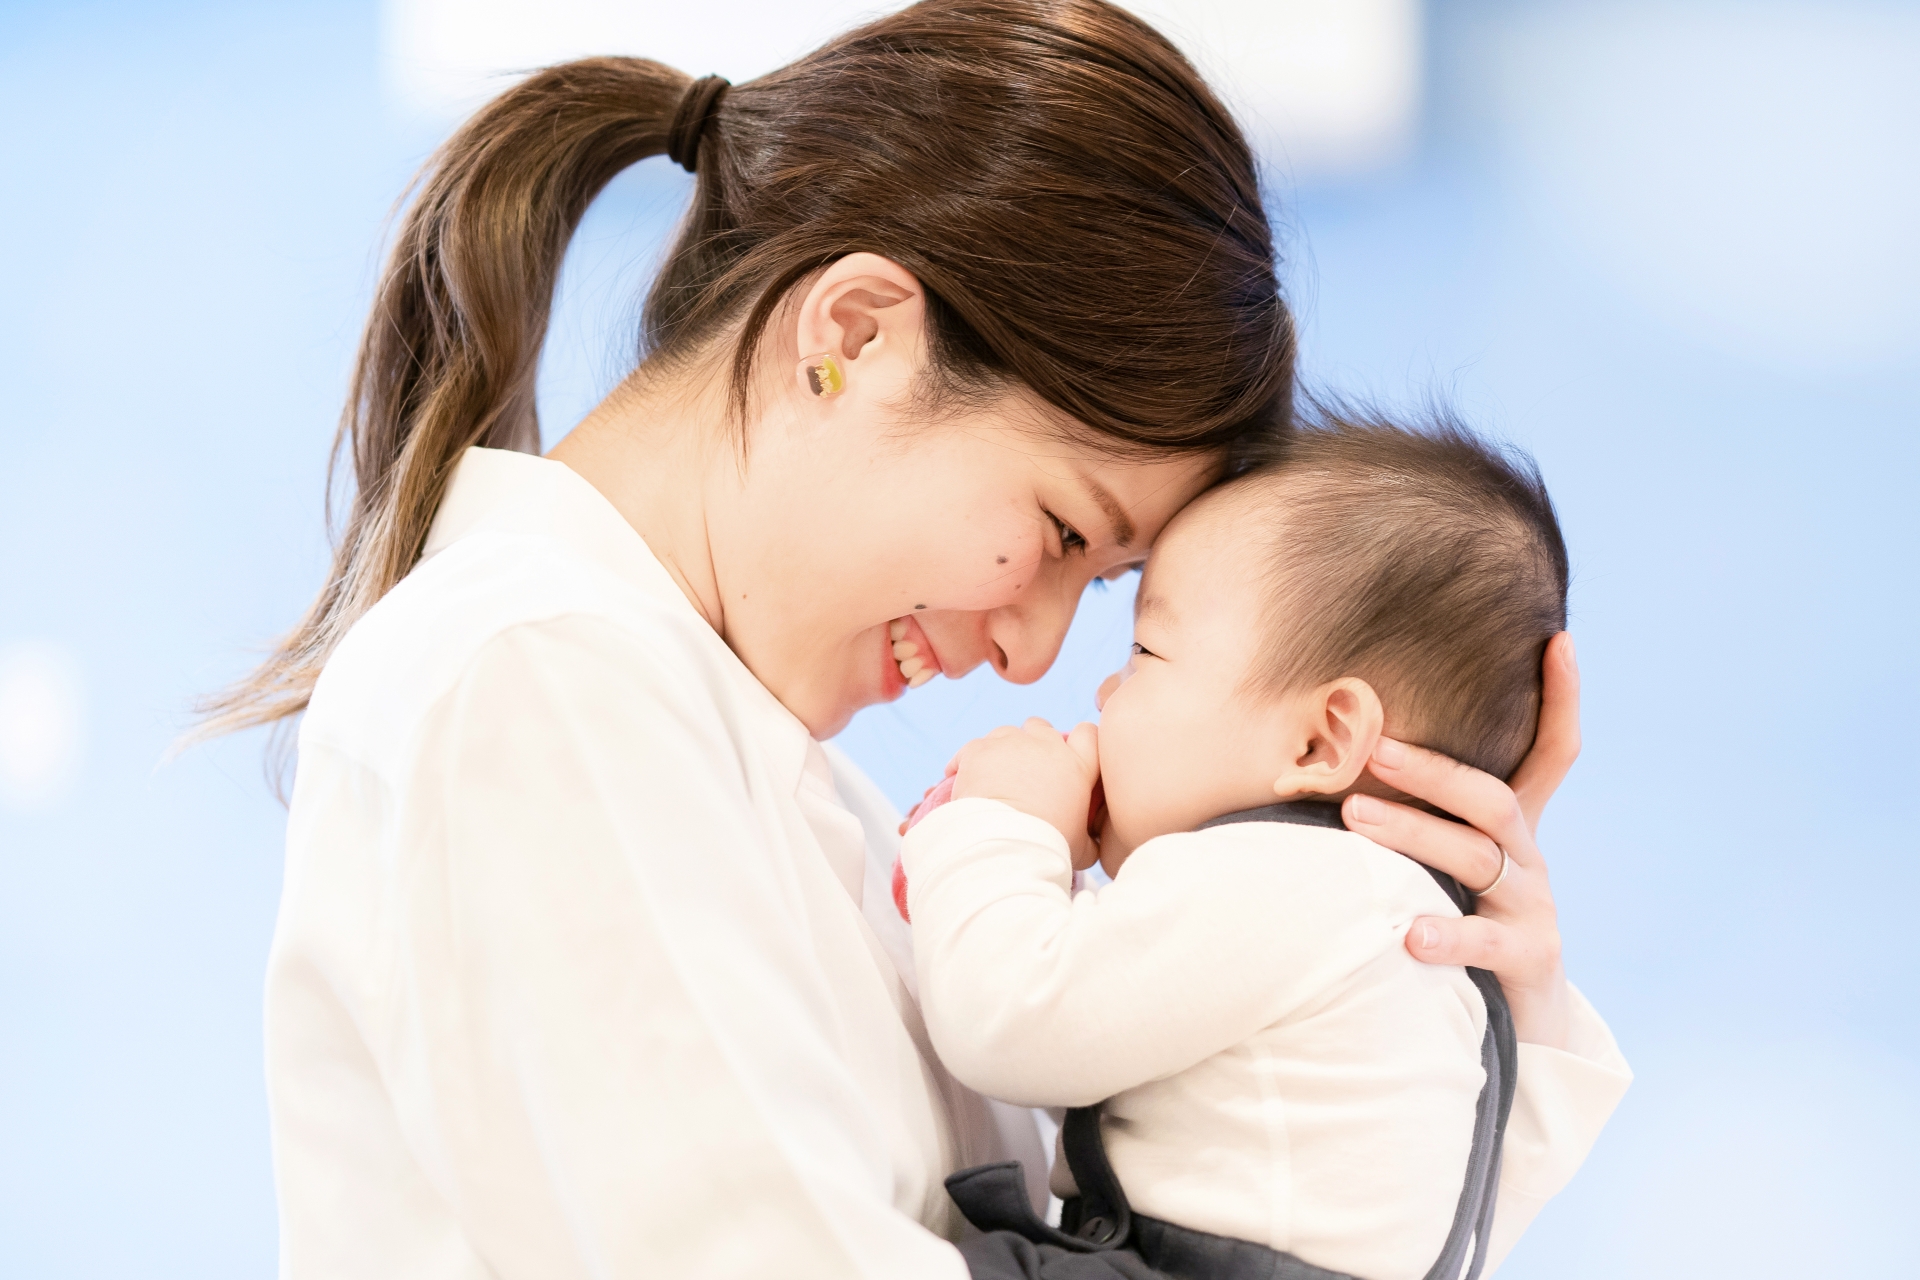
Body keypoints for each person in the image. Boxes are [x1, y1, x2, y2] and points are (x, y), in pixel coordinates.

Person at [200, 2, 1600, 1275]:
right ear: (857, 335)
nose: (1036, 655)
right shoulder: (536, 681)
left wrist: (1421, 1007)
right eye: (1061, 530)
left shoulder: (770, 778)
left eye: (1106, 587)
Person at [900, 409, 1632, 1280]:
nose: (1102, 691)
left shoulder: (1299, 881)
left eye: (1144, 652)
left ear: (1320, 742)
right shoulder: (1410, 945)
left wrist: (1001, 823)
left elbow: (1011, 1018)